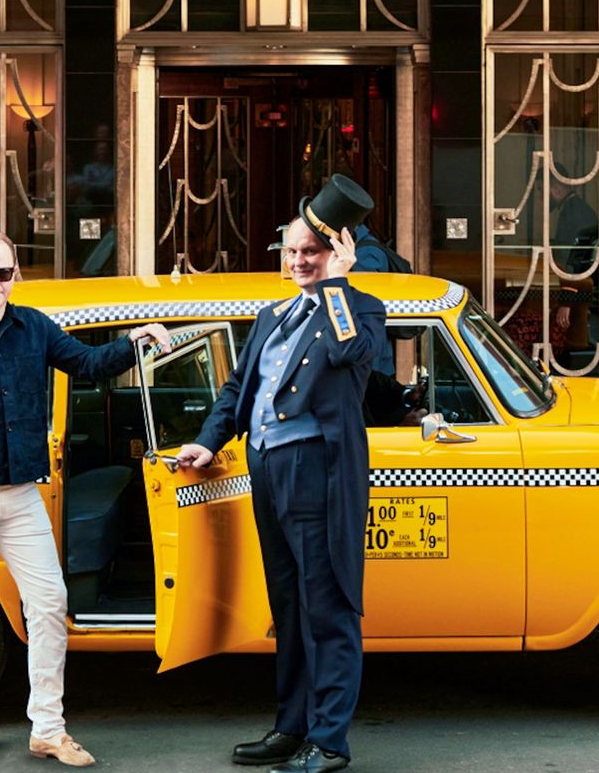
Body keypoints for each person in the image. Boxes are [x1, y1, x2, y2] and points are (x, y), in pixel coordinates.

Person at [0, 230, 166, 767]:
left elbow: (88, 364)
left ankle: (48, 726)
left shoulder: (34, 328)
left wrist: (135, 339)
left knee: (49, 602)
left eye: (4, 273)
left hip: (21, 492)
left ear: (16, 272)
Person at [176, 184, 385, 773]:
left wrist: (339, 284)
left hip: (317, 470)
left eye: (312, 252)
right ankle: (292, 727)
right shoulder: (271, 314)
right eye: (292, 252)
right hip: (267, 467)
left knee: (328, 606)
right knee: (289, 605)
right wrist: (206, 440)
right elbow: (239, 389)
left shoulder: (359, 307)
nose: (299, 262)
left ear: (337, 252)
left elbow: (351, 354)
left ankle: (330, 740)